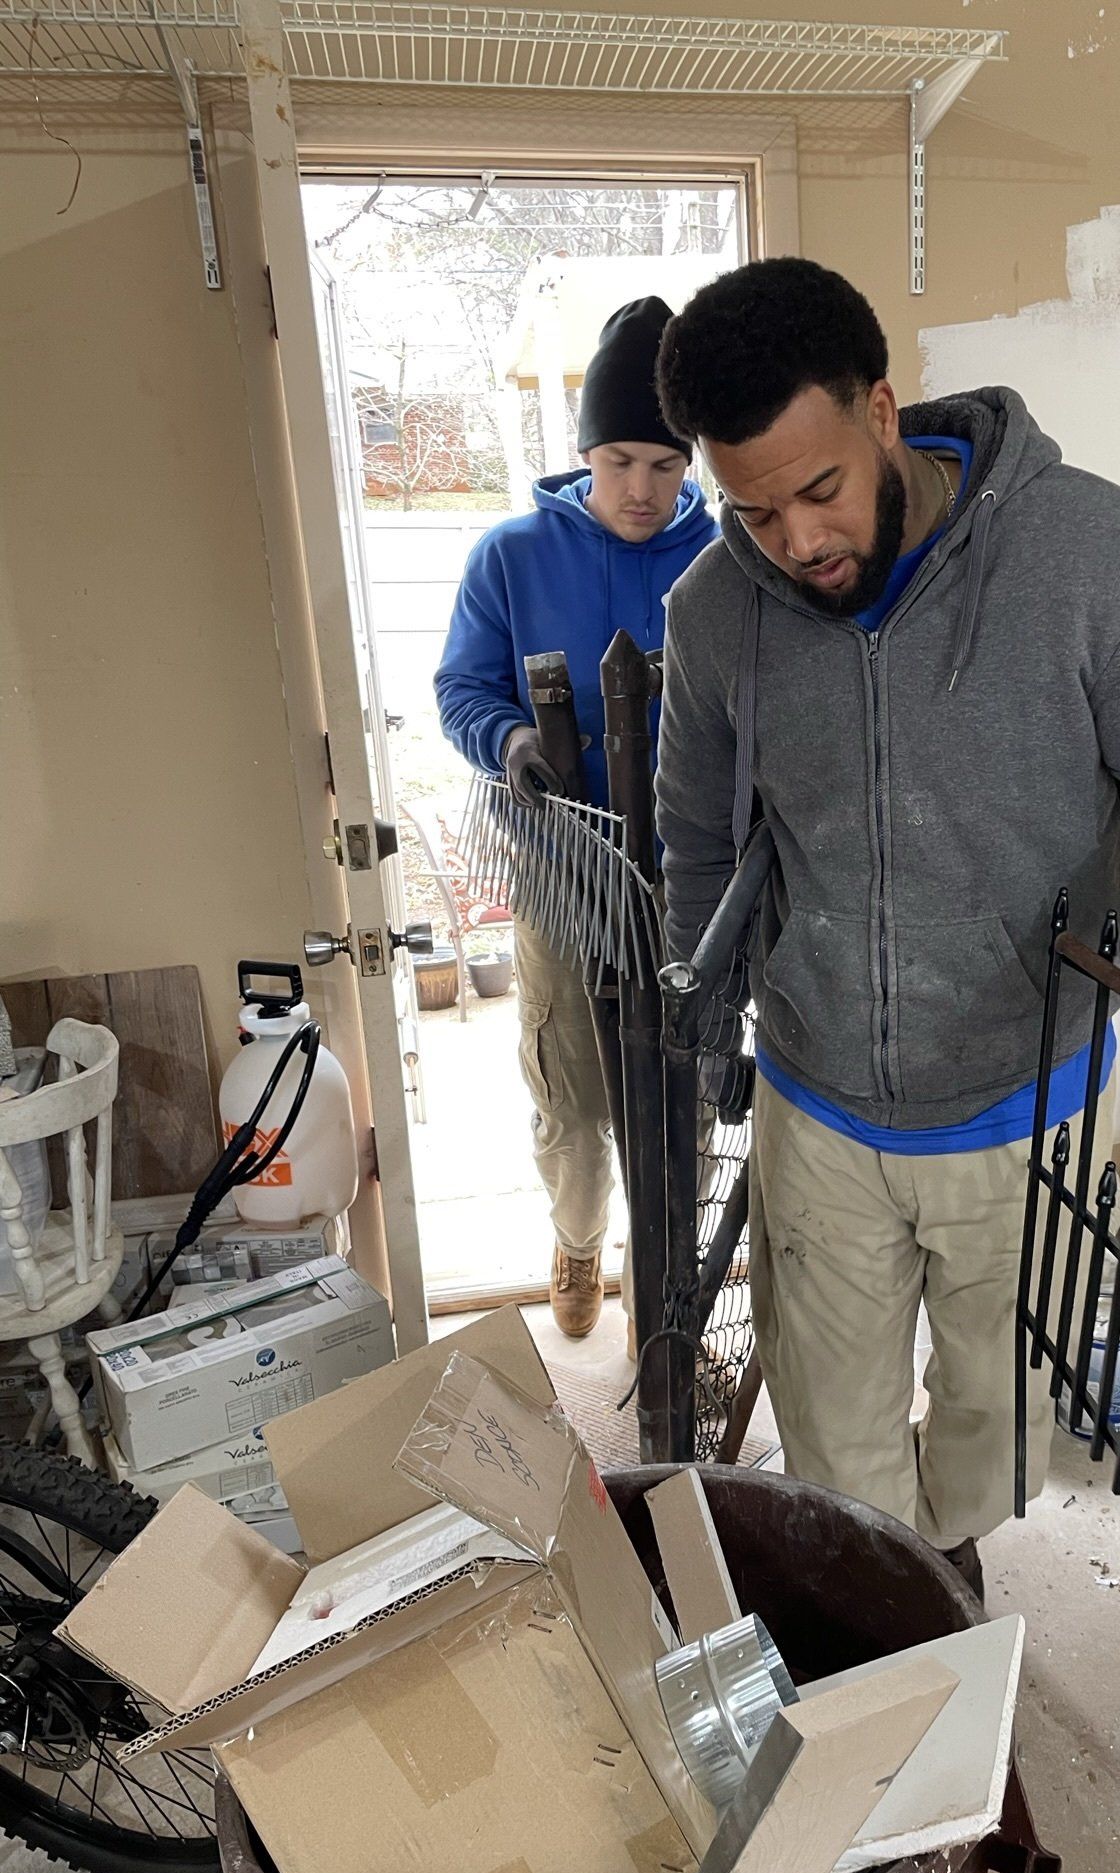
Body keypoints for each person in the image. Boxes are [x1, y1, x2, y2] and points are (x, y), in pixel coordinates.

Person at [652, 258, 1120, 1597]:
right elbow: (700, 829)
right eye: (752, 512)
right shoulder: (714, 614)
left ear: (883, 411)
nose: (798, 543)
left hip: (1025, 1096)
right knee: (833, 1458)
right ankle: (897, 1618)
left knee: (1004, 1433)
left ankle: (947, 1554)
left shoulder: (1099, 558)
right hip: (820, 1100)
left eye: (819, 492)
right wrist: (707, 996)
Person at [435, 296, 716, 1340]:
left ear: (688, 462)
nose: (641, 489)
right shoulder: (510, 557)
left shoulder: (724, 561)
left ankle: (666, 1273)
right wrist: (513, 745)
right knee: (576, 1100)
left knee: (675, 1095)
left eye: (663, 463)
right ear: (584, 453)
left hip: (688, 882)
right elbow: (463, 688)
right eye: (619, 462)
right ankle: (579, 1236)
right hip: (562, 872)